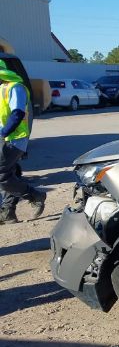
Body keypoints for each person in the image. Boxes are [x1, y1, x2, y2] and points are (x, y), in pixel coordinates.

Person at [0, 59, 46, 224]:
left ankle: (35, 195)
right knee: (10, 174)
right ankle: (7, 212)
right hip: (5, 138)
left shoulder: (15, 87)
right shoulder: (1, 89)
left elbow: (17, 113)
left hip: (13, 139)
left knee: (3, 176)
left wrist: (3, 132)